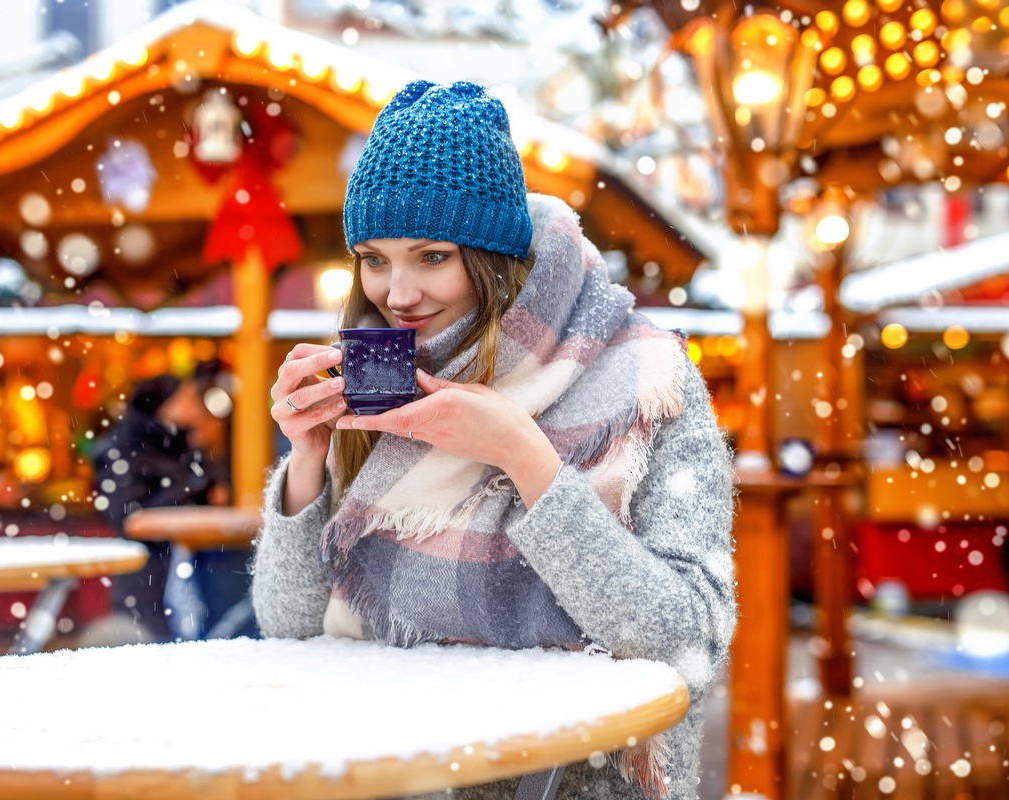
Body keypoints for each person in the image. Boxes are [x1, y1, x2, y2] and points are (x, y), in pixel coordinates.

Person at [251, 80, 736, 800]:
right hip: (394, 773)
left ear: (495, 257)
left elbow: (686, 639)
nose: (398, 292)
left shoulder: (645, 376)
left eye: (432, 256)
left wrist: (523, 455)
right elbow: (291, 633)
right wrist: (307, 459)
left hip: (583, 782)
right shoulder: (381, 381)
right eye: (375, 259)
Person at [93, 363, 247, 642]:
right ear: (163, 406)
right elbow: (127, 515)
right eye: (186, 397)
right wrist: (192, 487)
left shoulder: (180, 441)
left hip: (195, 570)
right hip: (146, 574)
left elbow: (211, 490)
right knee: (151, 645)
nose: (195, 404)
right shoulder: (123, 448)